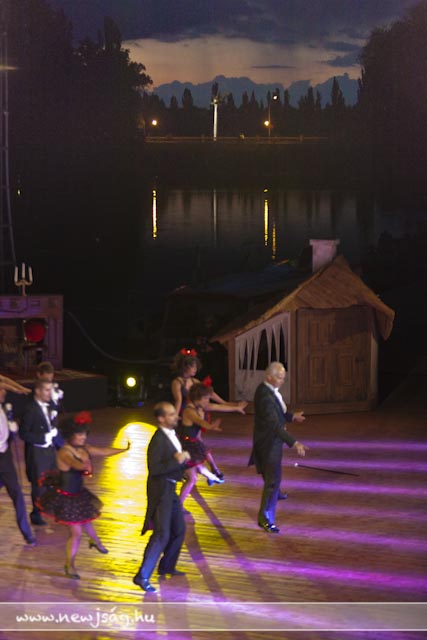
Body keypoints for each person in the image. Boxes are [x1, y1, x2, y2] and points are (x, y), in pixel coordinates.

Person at [37, 411, 130, 579]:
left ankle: (95, 541)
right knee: (76, 533)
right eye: (79, 435)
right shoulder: (65, 452)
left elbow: (103, 451)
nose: (83, 437)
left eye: (84, 434)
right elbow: (77, 465)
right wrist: (86, 463)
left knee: (85, 519)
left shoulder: (83, 448)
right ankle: (69, 565)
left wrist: (124, 449)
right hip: (66, 498)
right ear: (70, 435)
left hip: (78, 494)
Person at [133, 402, 191, 593]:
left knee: (179, 529)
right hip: (161, 490)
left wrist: (181, 467)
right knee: (161, 533)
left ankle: (167, 566)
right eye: (171, 414)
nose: (176, 417)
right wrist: (177, 461)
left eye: (175, 414)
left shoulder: (171, 435)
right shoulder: (158, 440)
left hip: (171, 488)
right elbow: (155, 469)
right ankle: (142, 576)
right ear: (161, 418)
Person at [249, 362, 309, 534]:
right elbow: (275, 425)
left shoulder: (267, 390)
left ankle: (276, 493)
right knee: (272, 481)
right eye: (280, 378)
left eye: (283, 378)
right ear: (270, 377)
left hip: (271, 442)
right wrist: (294, 442)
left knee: (272, 477)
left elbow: (279, 415)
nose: (283, 381)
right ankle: (265, 518)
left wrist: (292, 417)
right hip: (269, 444)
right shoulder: (265, 397)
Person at [171, 350, 247, 479]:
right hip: (184, 415)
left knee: (196, 442)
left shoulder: (195, 382)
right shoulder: (177, 382)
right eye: (193, 366)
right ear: (186, 367)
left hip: (197, 411)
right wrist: (174, 418)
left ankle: (207, 469)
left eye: (196, 366)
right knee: (188, 444)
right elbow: (178, 401)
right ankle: (199, 470)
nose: (195, 369)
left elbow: (210, 395)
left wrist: (229, 404)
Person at [19, 380, 62, 525]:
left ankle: (50, 509)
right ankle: (36, 514)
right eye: (47, 390)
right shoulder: (31, 409)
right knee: (39, 484)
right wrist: (43, 438)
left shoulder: (49, 406)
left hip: (49, 450)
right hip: (37, 453)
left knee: (53, 480)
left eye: (51, 390)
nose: (50, 393)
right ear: (37, 391)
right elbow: (23, 433)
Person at [179, 383, 226, 506]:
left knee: (194, 475)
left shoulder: (199, 408)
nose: (207, 401)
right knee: (192, 478)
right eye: (205, 398)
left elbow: (219, 407)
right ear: (197, 398)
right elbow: (200, 421)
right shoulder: (189, 411)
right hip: (186, 446)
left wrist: (236, 407)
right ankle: (177, 508)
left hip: (193, 444)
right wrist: (210, 426)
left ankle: (212, 476)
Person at [0, 386, 36, 545]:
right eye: (1, 390)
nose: (4, 392)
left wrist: (11, 429)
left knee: (17, 494)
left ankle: (27, 534)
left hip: (5, 457)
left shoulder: (3, 409)